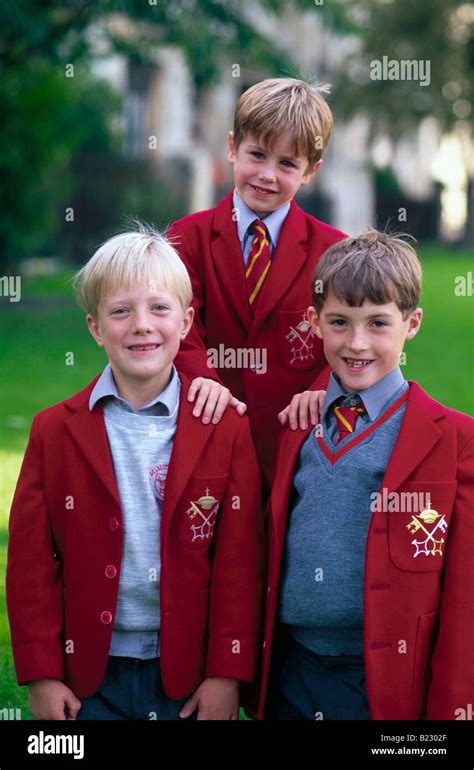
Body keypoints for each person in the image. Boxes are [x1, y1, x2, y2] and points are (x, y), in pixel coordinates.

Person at [6, 226, 264, 721]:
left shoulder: (225, 427)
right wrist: (42, 675)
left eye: (159, 308)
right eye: (121, 311)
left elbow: (240, 564)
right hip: (88, 680)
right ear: (95, 328)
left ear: (187, 322)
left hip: (188, 680)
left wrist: (226, 675)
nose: (142, 325)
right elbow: (30, 566)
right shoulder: (53, 431)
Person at [257, 229, 474, 720]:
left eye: (378, 323)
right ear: (314, 323)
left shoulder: (455, 440)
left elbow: (466, 600)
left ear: (412, 323)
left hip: (384, 678)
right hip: (294, 670)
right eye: (339, 322)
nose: (357, 343)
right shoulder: (297, 424)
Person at [168, 77, 346, 486]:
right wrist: (203, 380)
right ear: (232, 147)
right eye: (257, 155)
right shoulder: (185, 238)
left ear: (310, 172)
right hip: (206, 431)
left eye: (287, 164)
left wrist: (326, 387)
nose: (267, 175)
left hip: (298, 446)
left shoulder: (334, 251)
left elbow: (348, 329)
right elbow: (178, 322)